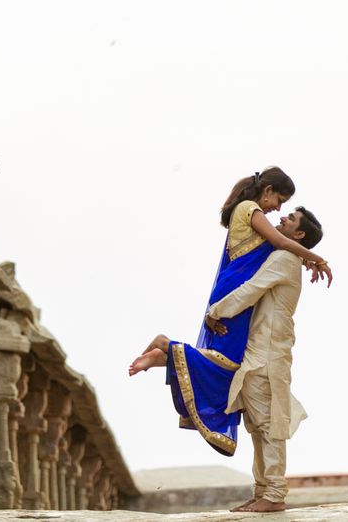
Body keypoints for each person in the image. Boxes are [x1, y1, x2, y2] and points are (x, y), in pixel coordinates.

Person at [127, 167, 332, 457]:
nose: (279, 209)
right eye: (280, 200)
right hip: (236, 292)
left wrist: (306, 258)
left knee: (230, 364)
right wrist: (316, 258)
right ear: (268, 190)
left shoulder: (253, 216)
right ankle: (168, 347)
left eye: (287, 210)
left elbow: (284, 247)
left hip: (236, 289)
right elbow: (281, 243)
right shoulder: (250, 209)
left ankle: (167, 356)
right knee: (229, 363)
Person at [203, 206, 323, 513]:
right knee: (258, 425)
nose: (282, 217)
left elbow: (250, 291)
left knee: (268, 424)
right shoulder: (282, 255)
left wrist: (215, 312)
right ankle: (263, 491)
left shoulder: (285, 258)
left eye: (291, 219)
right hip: (263, 350)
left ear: (299, 235)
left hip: (268, 353)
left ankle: (274, 492)